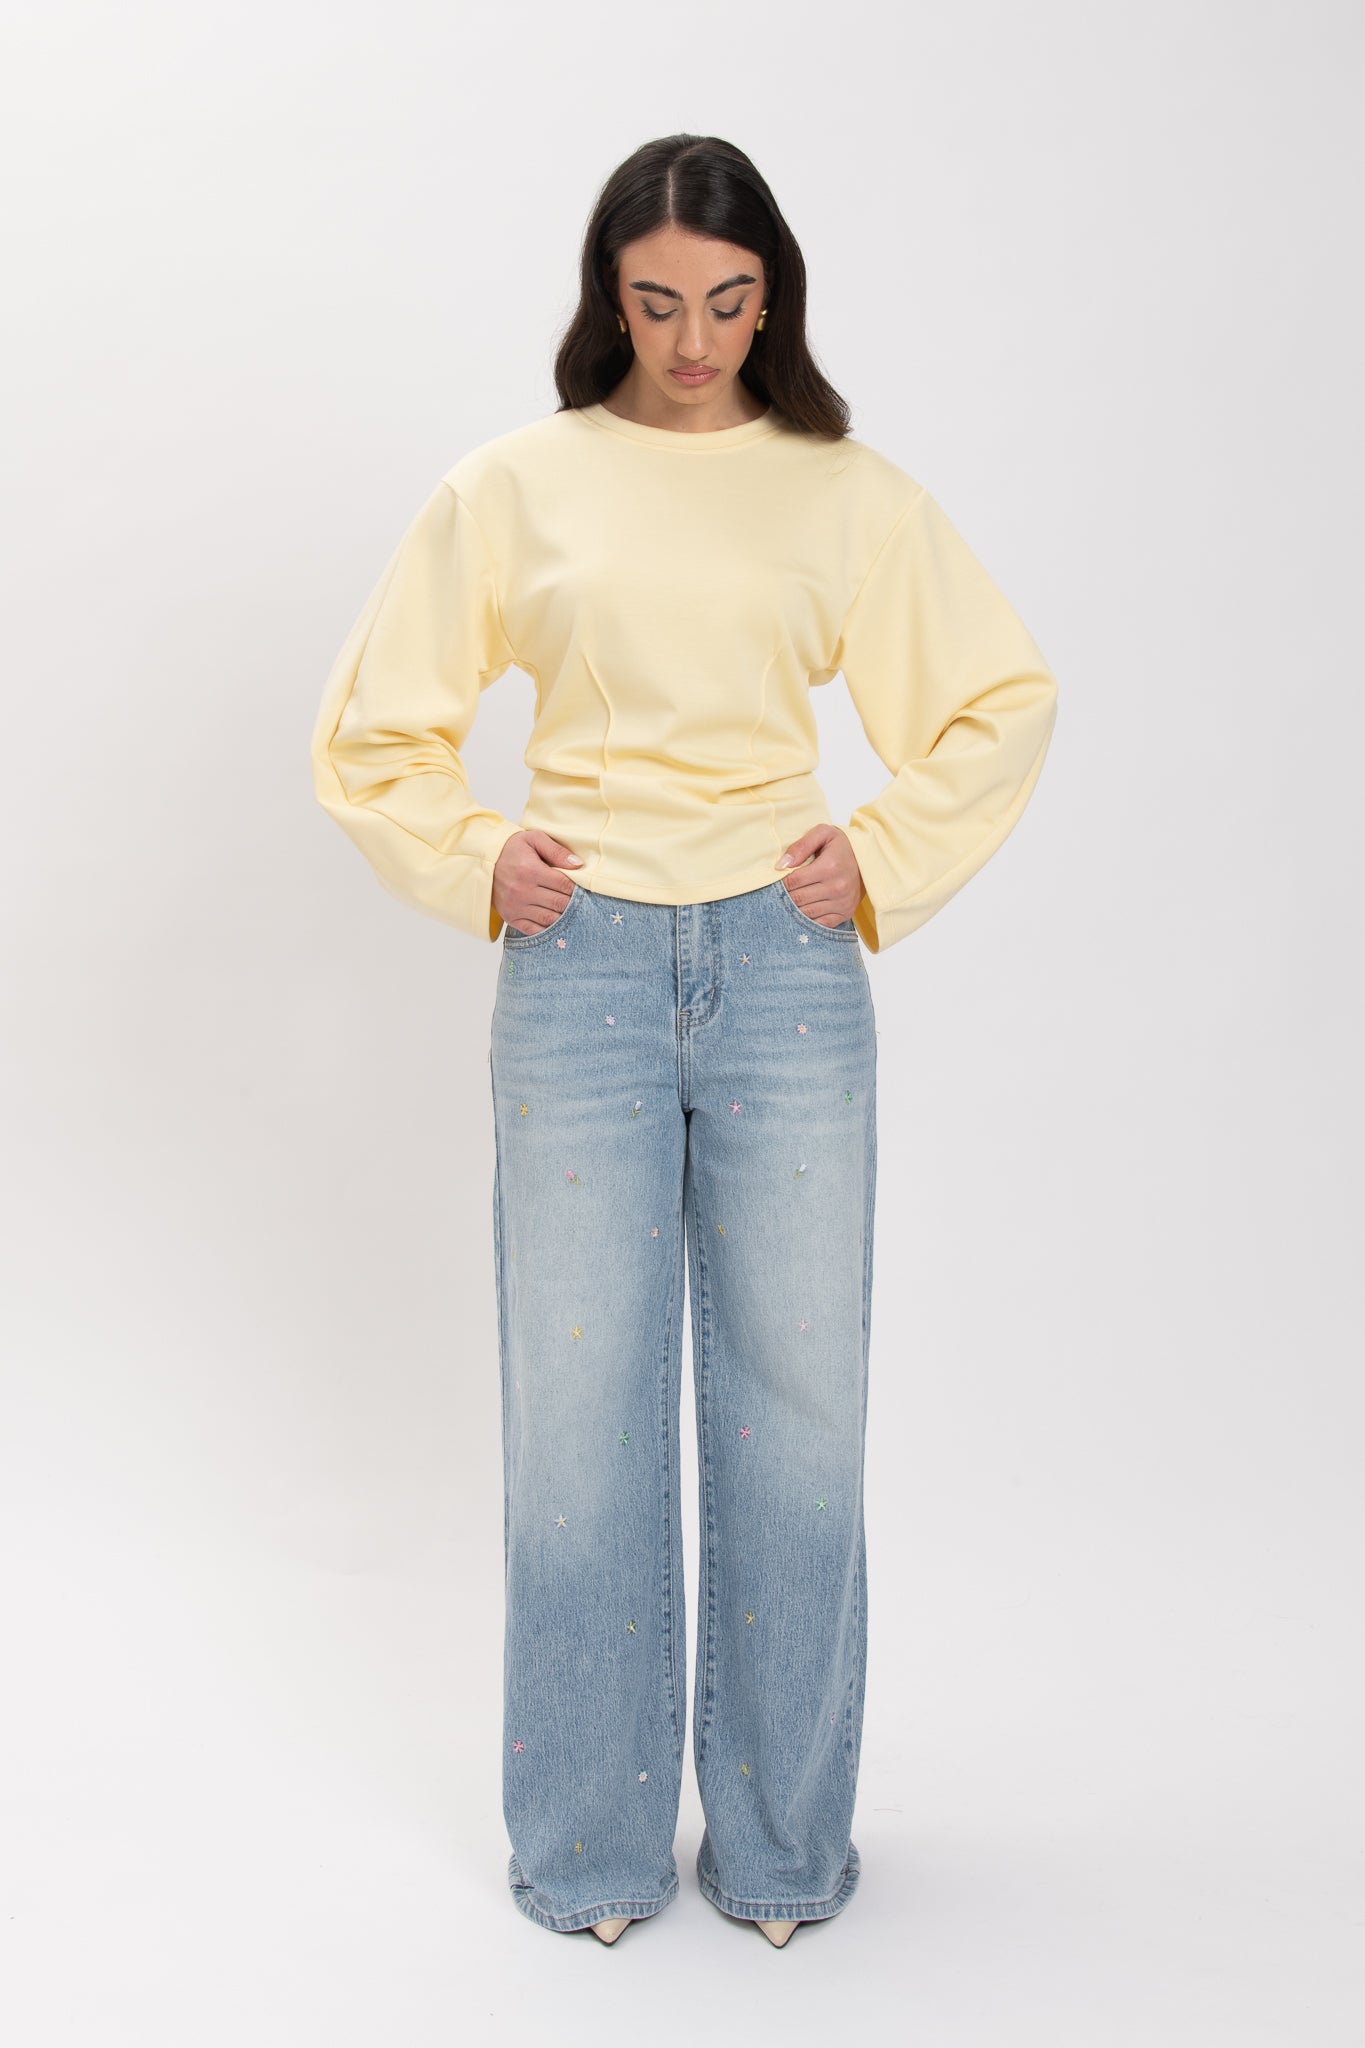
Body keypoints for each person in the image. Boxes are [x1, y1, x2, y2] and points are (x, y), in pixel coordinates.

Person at [310, 132, 1059, 1948]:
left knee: (799, 1413)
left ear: (771, 297)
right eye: (657, 303)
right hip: (575, 962)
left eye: (728, 302)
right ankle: (589, 1852)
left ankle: (785, 1849)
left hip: (786, 966)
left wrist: (878, 853)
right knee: (579, 1420)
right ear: (608, 298)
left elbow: (996, 696)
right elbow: (373, 732)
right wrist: (478, 855)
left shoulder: (843, 494)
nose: (696, 339)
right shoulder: (515, 485)